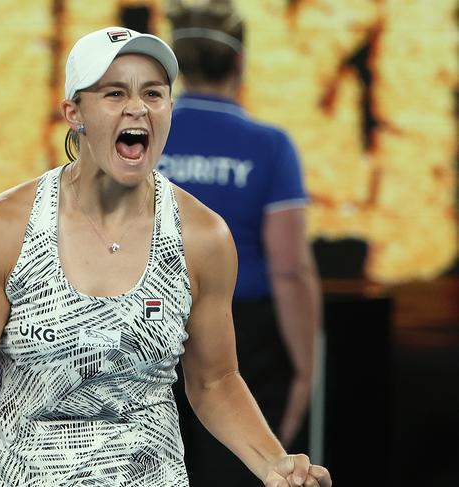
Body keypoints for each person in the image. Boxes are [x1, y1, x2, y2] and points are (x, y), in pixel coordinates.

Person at [0, 26, 331, 487]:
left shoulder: (202, 237)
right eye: (114, 93)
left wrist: (273, 464)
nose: (137, 108)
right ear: (74, 112)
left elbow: (215, 381)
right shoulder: (3, 227)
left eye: (154, 93)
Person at [159, 1, 322, 485]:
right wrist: (306, 370)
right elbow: (290, 268)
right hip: (242, 338)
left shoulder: (142, 137)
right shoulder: (269, 146)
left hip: (145, 324)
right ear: (239, 63)